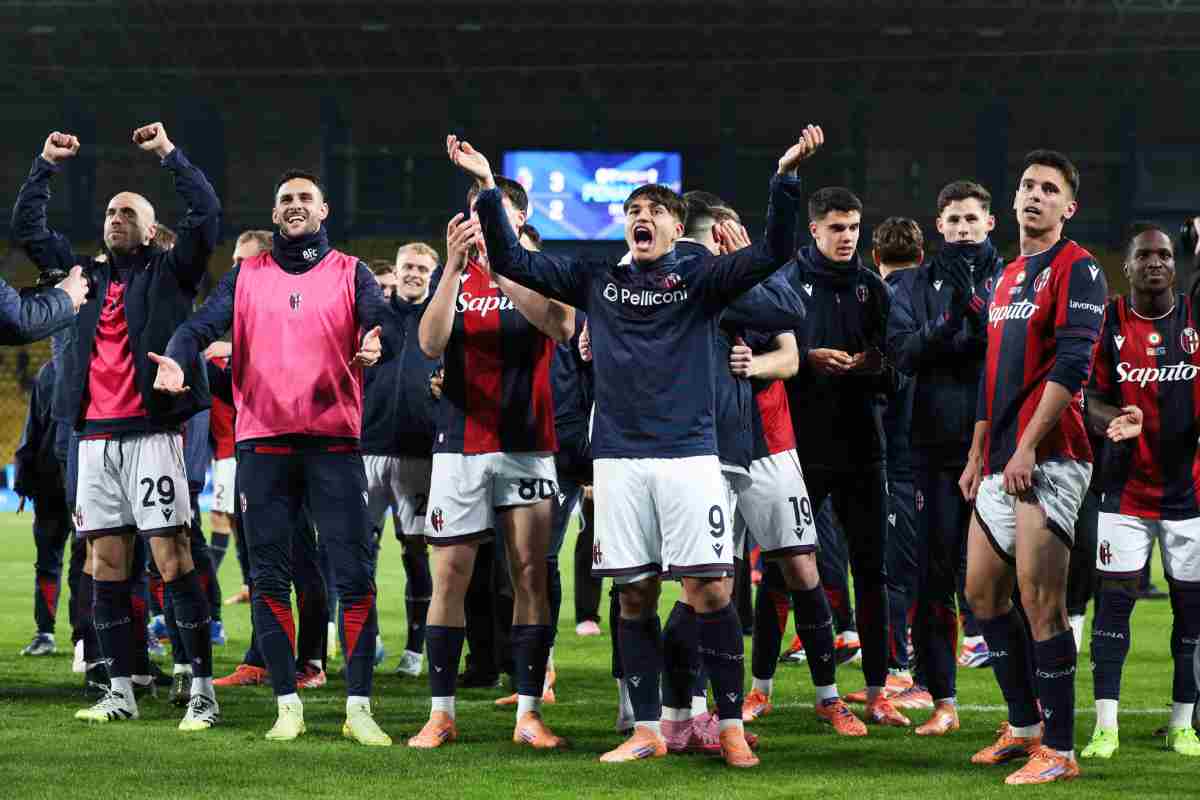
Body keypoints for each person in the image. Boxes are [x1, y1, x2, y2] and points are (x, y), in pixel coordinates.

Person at [449, 127, 819, 767]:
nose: (640, 217)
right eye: (632, 211)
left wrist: (785, 178)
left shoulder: (701, 279)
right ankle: (646, 729)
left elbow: (773, 254)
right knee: (635, 595)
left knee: (711, 591)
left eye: (654, 210)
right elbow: (515, 262)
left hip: (690, 457)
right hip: (618, 460)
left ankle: (730, 725)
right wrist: (486, 185)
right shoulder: (598, 280)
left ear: (676, 228)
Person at [154, 168, 390, 745]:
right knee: (268, 579)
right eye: (286, 198)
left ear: (324, 210)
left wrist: (378, 337)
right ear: (275, 211)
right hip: (263, 446)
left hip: (335, 443)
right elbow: (197, 327)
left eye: (306, 197)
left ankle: (359, 707)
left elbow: (386, 321)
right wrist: (177, 359)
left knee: (355, 577)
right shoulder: (246, 275)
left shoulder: (352, 271)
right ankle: (287, 705)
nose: (295, 205)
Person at [13, 122, 220, 730]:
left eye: (128, 213)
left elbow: (206, 213)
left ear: (151, 230)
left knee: (172, 559)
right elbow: (28, 230)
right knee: (103, 564)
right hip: (94, 439)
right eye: (109, 212)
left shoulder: (171, 273)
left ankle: (201, 689)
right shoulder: (83, 276)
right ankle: (120, 688)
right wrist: (45, 164)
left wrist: (169, 154)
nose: (115, 219)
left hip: (151, 436)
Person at [411, 171, 574, 752]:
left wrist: (504, 266)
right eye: (477, 212)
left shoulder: (542, 268)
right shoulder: (455, 272)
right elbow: (430, 344)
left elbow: (561, 325)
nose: (482, 222)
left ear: (519, 220)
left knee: (530, 573)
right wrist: (452, 271)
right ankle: (441, 714)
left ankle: (529, 713)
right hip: (459, 444)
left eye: (494, 212)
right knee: (449, 577)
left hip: (527, 442)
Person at [959, 149, 1107, 784]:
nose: (1035, 195)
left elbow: (1074, 364)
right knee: (981, 593)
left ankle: (1062, 751)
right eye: (1027, 185)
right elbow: (992, 374)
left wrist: (1025, 446)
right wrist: (979, 452)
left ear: (1068, 207)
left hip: (1050, 454)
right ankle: (1024, 727)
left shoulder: (1080, 268)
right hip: (1000, 456)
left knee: (1040, 600)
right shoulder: (1007, 275)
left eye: (1049, 189)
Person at [780, 185, 907, 729]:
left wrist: (870, 367)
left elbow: (897, 371)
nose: (847, 237)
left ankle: (877, 692)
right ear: (814, 229)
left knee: (872, 572)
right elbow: (769, 360)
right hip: (799, 448)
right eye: (837, 227)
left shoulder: (873, 289)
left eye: (854, 227)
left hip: (862, 448)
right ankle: (765, 689)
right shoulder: (787, 282)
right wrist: (807, 360)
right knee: (785, 567)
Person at [886, 181, 1004, 734]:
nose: (962, 229)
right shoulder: (911, 283)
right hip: (933, 450)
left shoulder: (1014, 279)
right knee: (934, 578)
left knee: (1006, 580)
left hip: (1001, 450)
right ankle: (944, 703)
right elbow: (904, 353)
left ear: (990, 223)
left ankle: (1025, 713)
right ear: (938, 225)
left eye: (971, 219)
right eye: (953, 219)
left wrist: (972, 314)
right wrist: (951, 320)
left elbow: (1009, 352)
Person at [1080, 223, 1200, 759]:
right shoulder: (1107, 322)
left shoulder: (1195, 319)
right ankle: (1106, 727)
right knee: (1114, 606)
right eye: (1145, 256)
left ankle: (1182, 725)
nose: (1156, 263)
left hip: (1189, 495)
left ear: (1176, 265)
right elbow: (1087, 395)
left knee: (1191, 614)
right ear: (1127, 266)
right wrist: (1111, 419)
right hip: (1124, 493)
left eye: (1165, 255)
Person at [842, 218, 930, 713]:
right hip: (937, 449)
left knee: (893, 570)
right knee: (929, 567)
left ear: (876, 257)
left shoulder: (877, 299)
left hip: (893, 452)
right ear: (922, 253)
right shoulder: (933, 295)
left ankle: (902, 671)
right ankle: (924, 669)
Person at [360, 244, 440, 678]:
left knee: (415, 552)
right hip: (368, 449)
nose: (413, 273)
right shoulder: (373, 316)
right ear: (397, 268)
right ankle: (367, 640)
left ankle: (414, 650)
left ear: (432, 274)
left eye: (422, 268)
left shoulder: (440, 318)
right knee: (362, 550)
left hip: (418, 454)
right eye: (408, 266)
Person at [209, 230, 273, 606]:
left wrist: (231, 351)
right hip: (232, 449)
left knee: (233, 521)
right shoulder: (233, 316)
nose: (233, 269)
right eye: (232, 261)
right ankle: (250, 590)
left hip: (256, 448)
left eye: (241, 261)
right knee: (236, 524)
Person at [15, 358, 73, 656]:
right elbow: (34, 429)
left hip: (70, 479)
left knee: (62, 562)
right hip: (59, 481)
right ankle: (68, 636)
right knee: (88, 561)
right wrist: (25, 481)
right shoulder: (51, 371)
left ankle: (58, 635)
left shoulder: (51, 370)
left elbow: (32, 431)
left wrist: (23, 480)